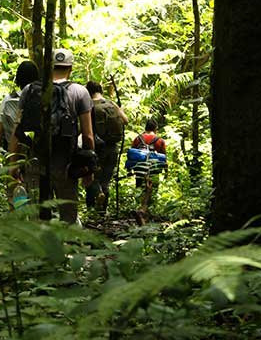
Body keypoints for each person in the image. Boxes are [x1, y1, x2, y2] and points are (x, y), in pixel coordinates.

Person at [9, 48, 94, 224]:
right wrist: (88, 168)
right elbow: (88, 136)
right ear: (70, 68)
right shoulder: (80, 92)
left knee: (37, 217)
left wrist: (13, 164)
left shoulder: (29, 90)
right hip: (65, 164)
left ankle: (39, 249)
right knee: (68, 217)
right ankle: (66, 249)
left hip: (35, 162)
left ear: (48, 67)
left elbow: (18, 131)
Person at [0, 60, 40, 205]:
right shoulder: (41, 99)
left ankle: (18, 216)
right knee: (35, 190)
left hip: (13, 153)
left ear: (18, 79)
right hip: (35, 152)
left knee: (13, 191)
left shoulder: (8, 100)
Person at [85, 81, 127, 213]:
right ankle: (103, 212)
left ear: (88, 92)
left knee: (93, 179)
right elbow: (126, 120)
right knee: (106, 181)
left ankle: (91, 210)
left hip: (97, 148)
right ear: (100, 90)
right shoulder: (111, 104)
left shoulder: (89, 105)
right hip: (113, 148)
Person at [130, 119, 166, 223]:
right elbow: (164, 157)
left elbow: (132, 155)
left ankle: (140, 210)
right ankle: (146, 213)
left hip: (140, 169)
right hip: (154, 169)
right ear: (156, 129)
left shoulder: (138, 138)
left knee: (141, 189)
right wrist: (166, 171)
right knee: (152, 191)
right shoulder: (160, 140)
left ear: (145, 128)